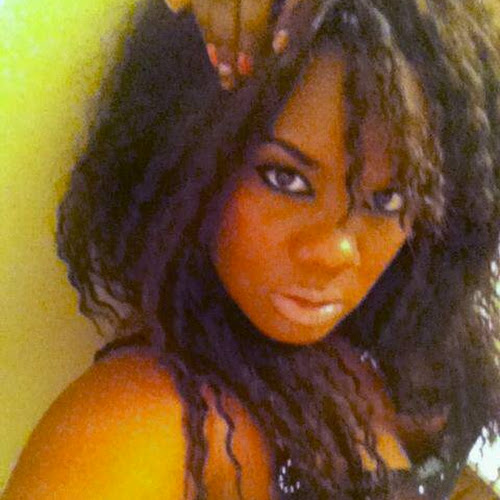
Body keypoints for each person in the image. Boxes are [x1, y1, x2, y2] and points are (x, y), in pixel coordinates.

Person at [3, 0, 500, 498]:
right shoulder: (143, 428)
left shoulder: (392, 333)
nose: (336, 251)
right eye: (285, 179)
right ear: (188, 157)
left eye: (389, 199)